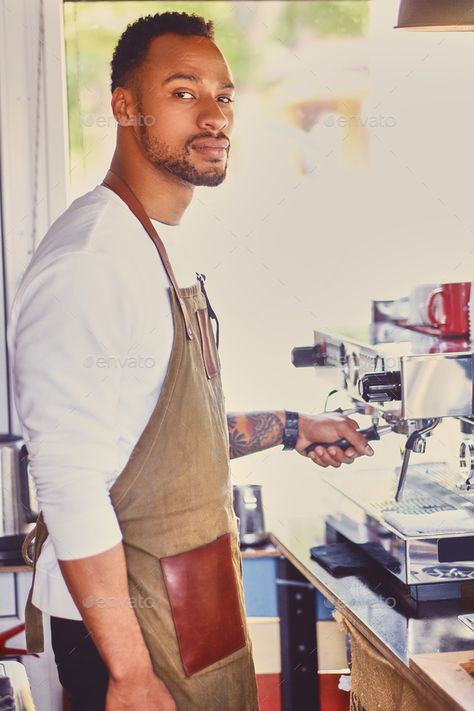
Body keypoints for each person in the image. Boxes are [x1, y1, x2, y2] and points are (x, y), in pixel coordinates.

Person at [8, 12, 374, 711]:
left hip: (188, 613)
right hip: (129, 632)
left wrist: (294, 427)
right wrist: (130, 673)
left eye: (225, 95)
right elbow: (72, 482)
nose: (214, 115)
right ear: (124, 105)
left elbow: (158, 439)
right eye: (182, 92)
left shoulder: (155, 243)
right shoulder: (90, 262)